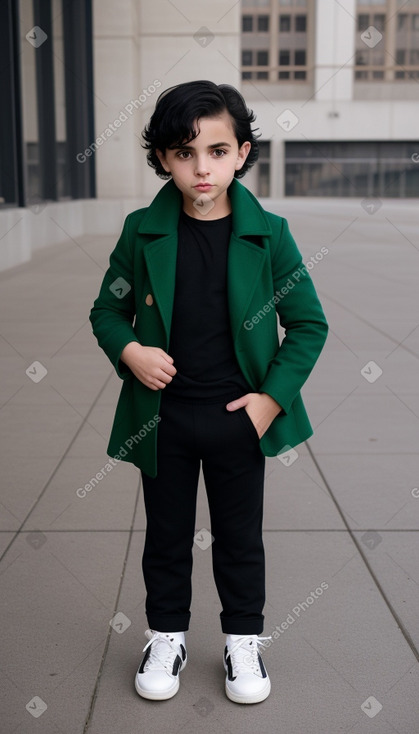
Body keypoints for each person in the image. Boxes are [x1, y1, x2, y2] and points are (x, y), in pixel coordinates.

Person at [89, 80, 328, 705]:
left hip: (238, 418)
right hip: (162, 418)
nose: (202, 168)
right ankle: (165, 634)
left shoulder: (269, 234)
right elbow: (106, 313)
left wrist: (268, 403)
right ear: (163, 158)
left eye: (217, 152)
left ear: (242, 153)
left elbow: (308, 323)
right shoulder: (141, 231)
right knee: (165, 536)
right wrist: (131, 351)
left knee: (239, 538)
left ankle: (242, 640)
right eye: (185, 152)